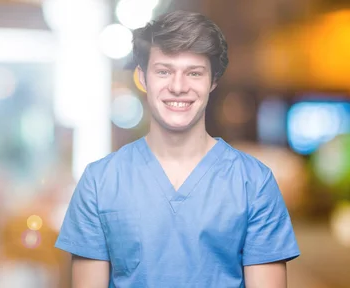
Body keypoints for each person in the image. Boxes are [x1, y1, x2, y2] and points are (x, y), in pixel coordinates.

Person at [55, 10, 300, 288]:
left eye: (194, 73)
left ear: (213, 81)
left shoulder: (254, 183)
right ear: (143, 78)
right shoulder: (99, 182)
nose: (178, 87)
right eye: (164, 71)